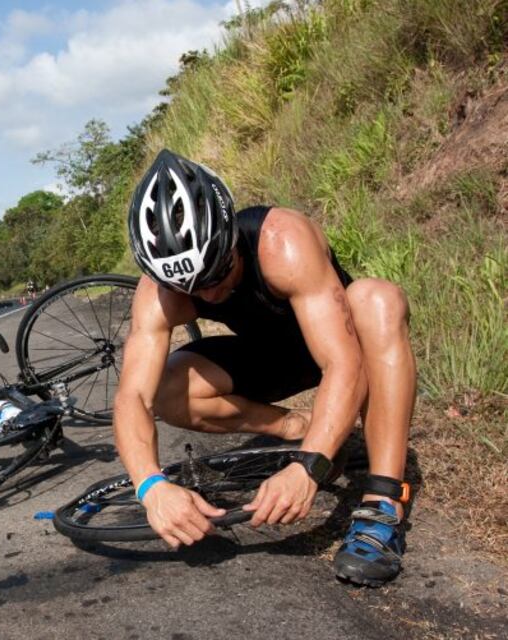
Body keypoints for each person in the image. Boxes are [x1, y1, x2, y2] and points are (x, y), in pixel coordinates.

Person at [115, 149, 415, 587]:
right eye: (193, 288)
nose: (210, 295)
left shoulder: (282, 240)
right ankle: (297, 427)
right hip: (270, 357)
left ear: (232, 235)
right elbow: (132, 397)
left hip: (341, 347)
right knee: (167, 388)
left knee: (377, 300)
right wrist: (151, 487)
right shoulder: (159, 289)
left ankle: (382, 503)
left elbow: (343, 364)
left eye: (218, 274)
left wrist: (305, 469)